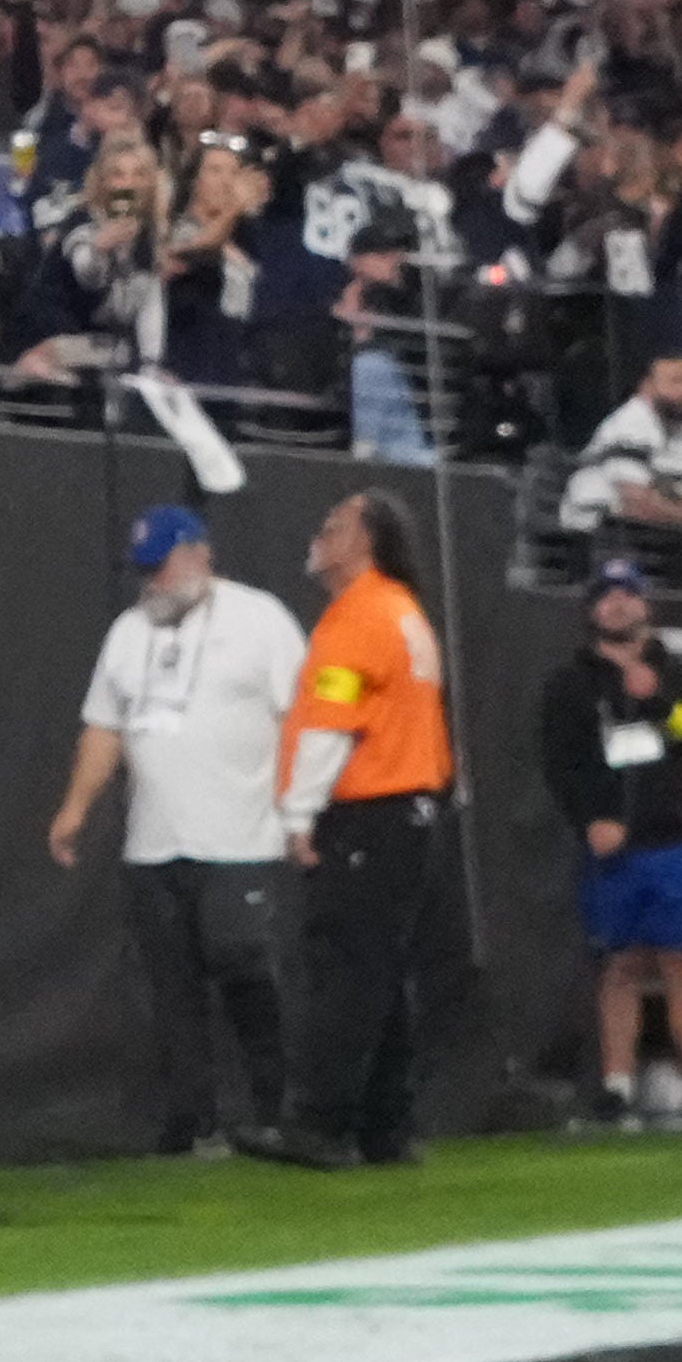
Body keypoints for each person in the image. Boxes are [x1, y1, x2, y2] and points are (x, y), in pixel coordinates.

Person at [46, 500, 300, 1155]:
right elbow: (104, 725)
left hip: (240, 836)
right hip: (153, 844)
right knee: (171, 989)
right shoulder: (128, 631)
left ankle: (277, 1105)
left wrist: (299, 810)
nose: (150, 581)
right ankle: (194, 1119)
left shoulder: (259, 619)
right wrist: (76, 807)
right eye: (144, 570)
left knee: (244, 966)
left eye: (160, 566)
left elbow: (300, 716)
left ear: (196, 555)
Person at [260, 487, 454, 1167]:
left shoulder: (359, 617)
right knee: (377, 969)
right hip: (408, 815)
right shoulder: (400, 611)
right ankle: (384, 1125)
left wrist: (298, 815)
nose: (319, 534)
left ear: (363, 543)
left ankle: (317, 1121)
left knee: (344, 968)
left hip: (369, 814)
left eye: (333, 525)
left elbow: (329, 725)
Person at [542, 550, 682, 1125]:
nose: (617, 602)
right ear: (593, 608)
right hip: (612, 848)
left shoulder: (676, 672)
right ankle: (617, 1085)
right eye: (606, 594)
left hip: (672, 840)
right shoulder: (569, 683)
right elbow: (559, 765)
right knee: (619, 967)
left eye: (627, 592)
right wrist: (589, 820)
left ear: (645, 603)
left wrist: (660, 701)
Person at [554, 345, 682, 550]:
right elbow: (636, 506)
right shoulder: (630, 424)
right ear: (646, 385)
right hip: (597, 538)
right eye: (674, 382)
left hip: (658, 540)